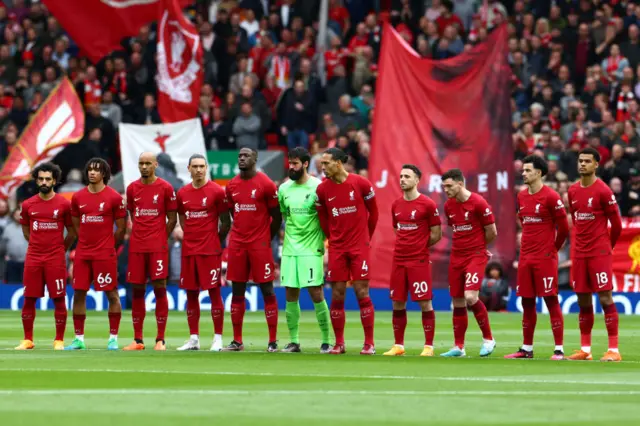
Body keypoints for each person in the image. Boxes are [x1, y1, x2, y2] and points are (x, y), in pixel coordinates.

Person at [505, 155, 569, 360]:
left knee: (550, 299)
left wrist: (553, 250)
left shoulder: (551, 197)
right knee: (527, 302)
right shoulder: (521, 197)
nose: (523, 173)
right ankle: (526, 349)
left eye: (527, 170)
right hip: (526, 257)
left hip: (545, 258)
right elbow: (524, 222)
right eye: (522, 170)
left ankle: (558, 349)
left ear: (539, 173)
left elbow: (565, 228)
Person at [316, 147, 379, 355]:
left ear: (338, 163)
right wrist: (332, 237)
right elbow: (323, 217)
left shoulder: (361, 183)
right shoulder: (322, 189)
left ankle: (369, 343)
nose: (322, 167)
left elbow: (374, 212)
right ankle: (339, 343)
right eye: (322, 163)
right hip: (337, 248)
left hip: (359, 246)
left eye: (326, 163)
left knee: (362, 291)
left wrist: (365, 238)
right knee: (337, 294)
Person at [567, 147, 623, 362]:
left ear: (596, 164)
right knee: (582, 299)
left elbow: (616, 224)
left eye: (587, 161)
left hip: (599, 252)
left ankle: (614, 350)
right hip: (580, 253)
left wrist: (609, 246)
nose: (582, 164)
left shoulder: (603, 191)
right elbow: (576, 218)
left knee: (605, 296)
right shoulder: (572, 191)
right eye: (580, 160)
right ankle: (585, 349)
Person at [223, 148, 282, 352]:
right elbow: (233, 212)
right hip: (238, 243)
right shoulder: (231, 185)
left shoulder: (266, 183)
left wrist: (266, 237)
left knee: (267, 289)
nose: (241, 158)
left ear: (255, 159)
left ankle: (272, 341)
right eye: (239, 155)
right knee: (237, 290)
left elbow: (277, 216)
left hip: (259, 245)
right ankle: (237, 341)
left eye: (246, 155)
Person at [66, 158, 127, 350]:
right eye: (90, 169)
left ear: (104, 174)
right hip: (83, 253)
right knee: (78, 293)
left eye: (96, 170)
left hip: (104, 254)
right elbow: (76, 227)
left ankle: (113, 338)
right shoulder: (77, 197)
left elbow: (121, 229)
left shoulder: (114, 197)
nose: (92, 173)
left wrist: (108, 245)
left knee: (112, 294)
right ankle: (79, 339)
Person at [15, 162, 76, 350]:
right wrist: (36, 245)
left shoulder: (64, 204)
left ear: (54, 181)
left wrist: (60, 249)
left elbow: (72, 232)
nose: (44, 182)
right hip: (33, 257)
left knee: (58, 298)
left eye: (47, 179)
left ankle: (59, 340)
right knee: (29, 298)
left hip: (55, 258)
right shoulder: (28, 205)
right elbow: (26, 230)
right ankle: (28, 339)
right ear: (36, 180)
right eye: (40, 178)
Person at [383, 165, 441, 357]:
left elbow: (436, 234)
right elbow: (396, 229)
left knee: (425, 302)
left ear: (417, 180)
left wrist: (419, 245)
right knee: (397, 302)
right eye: (400, 176)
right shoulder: (396, 205)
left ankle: (428, 347)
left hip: (418, 260)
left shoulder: (428, 204)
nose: (402, 179)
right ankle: (398, 345)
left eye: (407, 176)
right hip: (399, 259)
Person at [277, 147, 331, 353]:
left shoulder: (319, 187)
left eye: (295, 163)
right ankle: (294, 341)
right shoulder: (284, 189)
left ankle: (326, 341)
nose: (291, 167)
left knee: (316, 293)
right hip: (290, 249)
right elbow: (285, 215)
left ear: (306, 164)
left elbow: (326, 217)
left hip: (311, 249)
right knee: (291, 293)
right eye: (290, 163)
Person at [175, 154, 231, 351]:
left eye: (202, 166)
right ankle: (194, 338)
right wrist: (191, 235)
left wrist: (215, 239)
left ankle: (217, 338)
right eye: (195, 166)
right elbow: (182, 219)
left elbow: (226, 221)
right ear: (189, 168)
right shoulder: (182, 193)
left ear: (206, 168)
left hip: (210, 250)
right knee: (191, 293)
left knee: (214, 292)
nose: (199, 170)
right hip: (189, 250)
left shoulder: (216, 191)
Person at [123, 152, 178, 351]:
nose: (144, 167)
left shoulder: (165, 188)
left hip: (157, 247)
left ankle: (160, 339)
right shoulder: (132, 188)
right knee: (137, 289)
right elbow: (132, 213)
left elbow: (172, 218)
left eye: (148, 163)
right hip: (137, 246)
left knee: (159, 288)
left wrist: (161, 237)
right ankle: (138, 340)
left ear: (155, 164)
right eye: (141, 163)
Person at [440, 168, 497, 357]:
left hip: (475, 255)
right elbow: (456, 229)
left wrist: (480, 248)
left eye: (449, 186)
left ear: (460, 184)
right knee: (457, 301)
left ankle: (489, 340)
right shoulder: (449, 206)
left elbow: (492, 231)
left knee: (470, 296)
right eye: (444, 187)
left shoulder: (478, 203)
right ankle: (459, 347)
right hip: (456, 256)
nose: (446, 190)